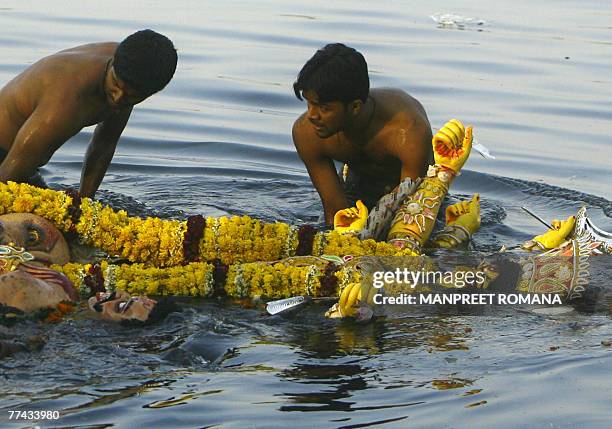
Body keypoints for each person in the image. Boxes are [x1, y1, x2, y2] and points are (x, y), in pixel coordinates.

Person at [0, 29, 178, 198]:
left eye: (132, 97)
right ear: (113, 65)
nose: (117, 99)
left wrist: (85, 202)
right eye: (116, 85)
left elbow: (104, 145)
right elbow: (8, 175)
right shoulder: (65, 102)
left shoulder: (135, 67)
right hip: (8, 159)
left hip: (20, 160)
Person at [292, 43, 433, 225]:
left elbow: (412, 213)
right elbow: (334, 210)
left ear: (355, 107)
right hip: (357, 189)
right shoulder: (306, 133)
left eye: (324, 108)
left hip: (416, 198)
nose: (311, 115)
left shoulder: (407, 131)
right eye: (309, 104)